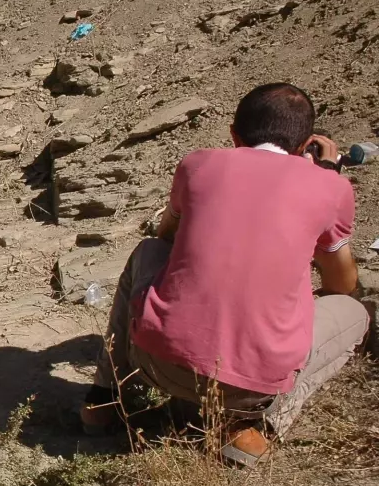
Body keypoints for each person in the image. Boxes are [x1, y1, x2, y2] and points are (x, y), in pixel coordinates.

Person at [82, 83, 370, 466]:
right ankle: (250, 427)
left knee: (147, 252)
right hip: (252, 389)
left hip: (156, 363)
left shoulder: (197, 164)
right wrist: (327, 176)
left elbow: (163, 237)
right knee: (356, 313)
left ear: (234, 134)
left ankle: (104, 398)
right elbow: (341, 285)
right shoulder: (332, 187)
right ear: (305, 146)